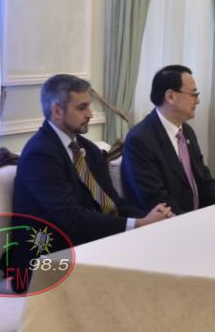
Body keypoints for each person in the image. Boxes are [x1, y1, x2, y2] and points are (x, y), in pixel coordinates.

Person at [11, 74, 172, 285]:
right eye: (82, 108)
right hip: (47, 259)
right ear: (57, 111)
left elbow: (113, 203)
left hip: (88, 246)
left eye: (89, 106)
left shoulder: (88, 149)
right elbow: (70, 217)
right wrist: (138, 224)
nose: (90, 114)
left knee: (160, 254)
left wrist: (154, 219)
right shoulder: (40, 154)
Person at [121, 65, 215, 215]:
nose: (198, 101)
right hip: (166, 224)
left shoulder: (187, 131)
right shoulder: (140, 140)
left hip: (197, 218)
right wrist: (193, 223)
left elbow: (204, 180)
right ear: (170, 96)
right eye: (194, 94)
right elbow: (156, 199)